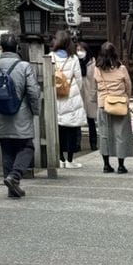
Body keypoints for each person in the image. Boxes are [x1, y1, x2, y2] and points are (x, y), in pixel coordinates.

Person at [0, 33, 41, 198]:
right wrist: (35, 110)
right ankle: (15, 175)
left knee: (7, 149)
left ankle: (12, 187)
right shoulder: (24, 66)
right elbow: (33, 91)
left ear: (2, 48)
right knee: (27, 146)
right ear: (17, 47)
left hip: (2, 113)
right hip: (21, 112)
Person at [93, 41, 133, 173]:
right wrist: (126, 97)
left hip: (103, 104)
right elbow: (128, 85)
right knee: (120, 134)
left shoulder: (97, 69)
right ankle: (121, 165)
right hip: (120, 104)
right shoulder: (121, 69)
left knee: (104, 134)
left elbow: (95, 86)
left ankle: (106, 164)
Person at [49, 29, 85, 168]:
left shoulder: (50, 56)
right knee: (71, 129)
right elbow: (79, 79)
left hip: (56, 96)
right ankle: (70, 160)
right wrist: (75, 90)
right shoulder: (73, 58)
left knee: (59, 129)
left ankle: (60, 159)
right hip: (71, 96)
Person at [77, 41, 99, 152]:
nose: (80, 52)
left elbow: (96, 80)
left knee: (91, 121)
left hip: (90, 94)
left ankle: (93, 143)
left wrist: (94, 94)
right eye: (78, 50)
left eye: (82, 50)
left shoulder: (93, 63)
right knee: (77, 121)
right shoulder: (75, 63)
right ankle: (77, 144)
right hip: (78, 94)